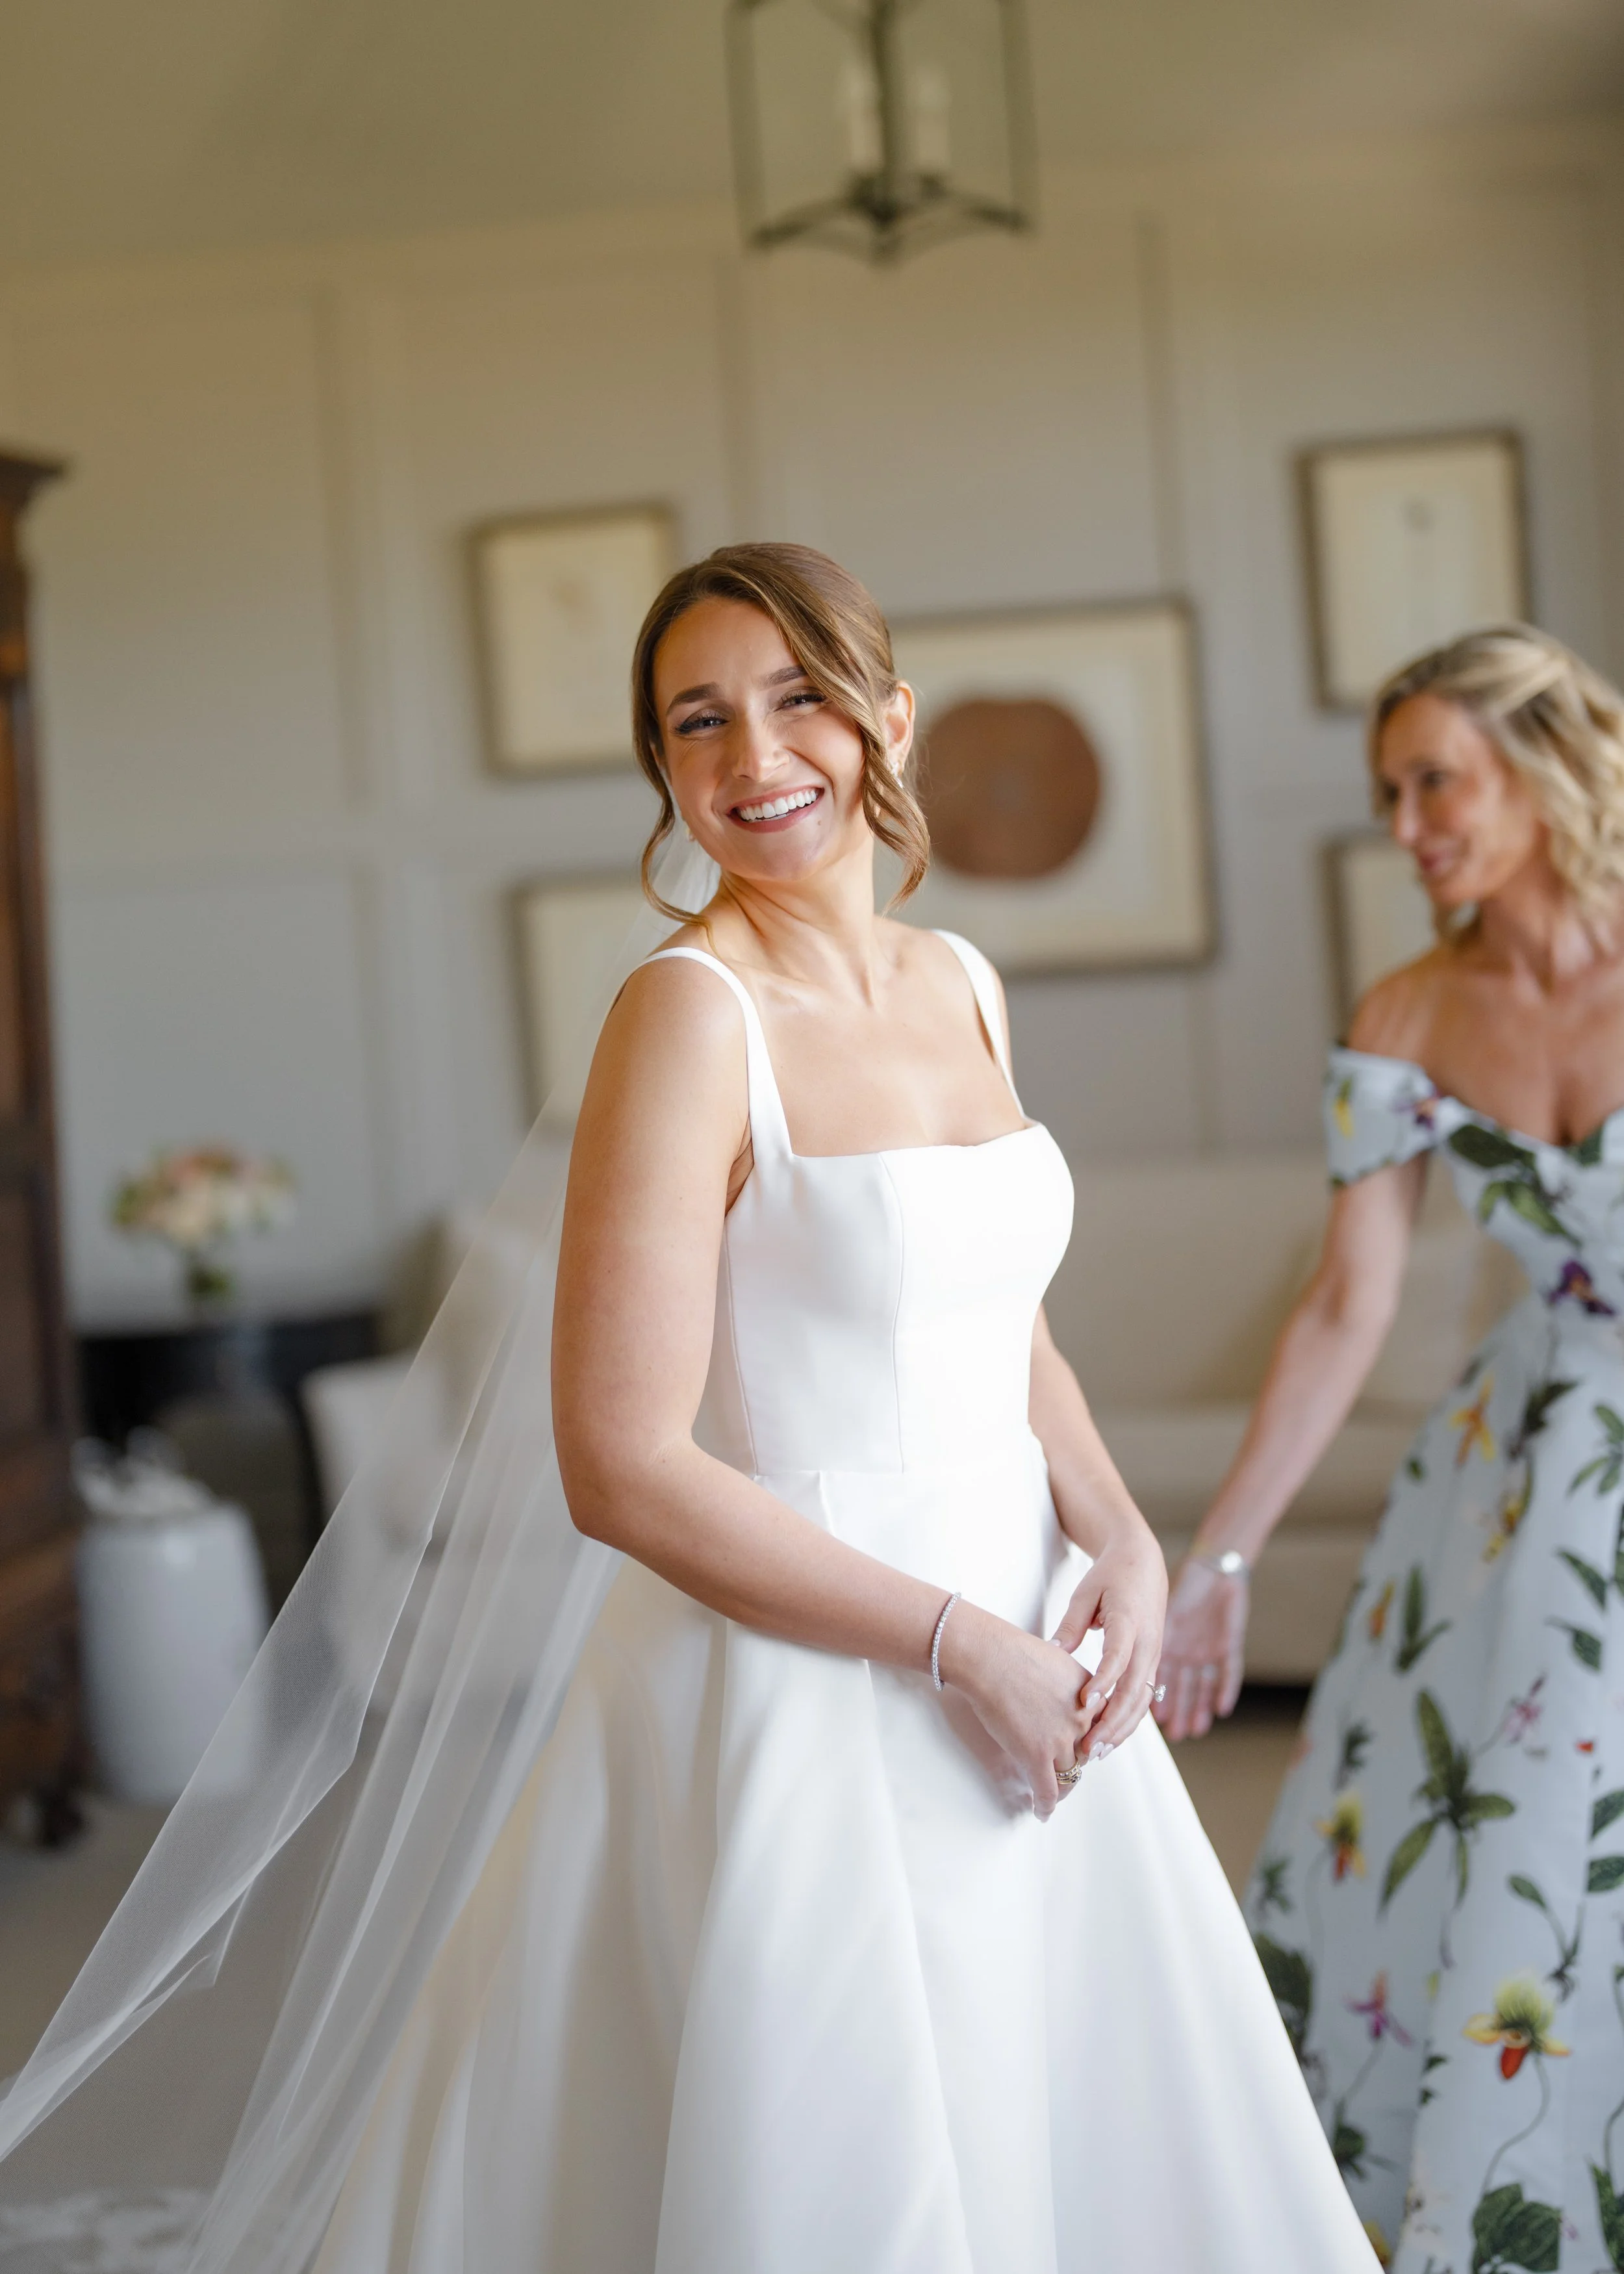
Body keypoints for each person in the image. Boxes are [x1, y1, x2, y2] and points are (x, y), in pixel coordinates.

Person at [0, 544, 1375, 2274]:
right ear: (664, 771)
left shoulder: (961, 982)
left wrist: (1115, 1532)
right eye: (697, 721)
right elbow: (621, 1464)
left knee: (1066, 2105)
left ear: (889, 716)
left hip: (1028, 1620)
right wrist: (960, 1644)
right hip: (802, 1669)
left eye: (798, 697)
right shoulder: (683, 1014)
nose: (754, 757)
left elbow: (994, 1321)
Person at [1156, 623, 1624, 2270]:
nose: (1406, 820)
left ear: (1544, 751)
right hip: (1524, 1479)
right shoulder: (1407, 1011)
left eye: (1435, 777)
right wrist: (1210, 1561)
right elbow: (1343, 1307)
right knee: (1516, 1840)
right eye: (1386, 793)